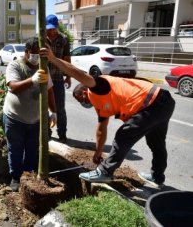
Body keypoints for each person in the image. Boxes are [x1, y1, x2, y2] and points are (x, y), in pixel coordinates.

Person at [40, 46, 175, 188]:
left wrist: (53, 59)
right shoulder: (101, 103)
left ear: (84, 92)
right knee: (157, 144)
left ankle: (105, 172)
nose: (83, 103)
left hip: (151, 103)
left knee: (123, 135)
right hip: (163, 102)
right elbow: (101, 129)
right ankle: (157, 177)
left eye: (81, 100)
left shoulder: (98, 85)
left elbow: (77, 73)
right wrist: (98, 152)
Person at [3, 37, 57, 192]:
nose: (37, 58)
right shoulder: (15, 65)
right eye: (34, 54)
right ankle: (15, 177)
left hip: (36, 120)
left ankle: (28, 177)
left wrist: (53, 111)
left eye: (40, 55)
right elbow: (13, 87)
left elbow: (49, 90)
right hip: (15, 118)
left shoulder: (43, 67)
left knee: (33, 150)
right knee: (15, 149)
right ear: (26, 52)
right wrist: (32, 80)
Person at [46, 14, 72, 143]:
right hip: (44, 79)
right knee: (44, 108)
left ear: (57, 27)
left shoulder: (64, 39)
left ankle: (62, 134)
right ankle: (47, 133)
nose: (51, 31)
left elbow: (67, 60)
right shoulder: (41, 39)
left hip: (57, 79)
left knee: (60, 108)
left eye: (53, 28)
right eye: (49, 29)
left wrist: (68, 77)